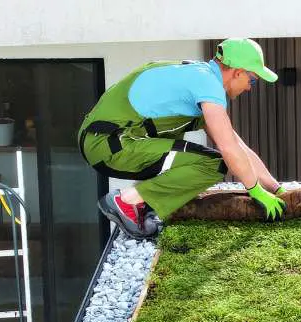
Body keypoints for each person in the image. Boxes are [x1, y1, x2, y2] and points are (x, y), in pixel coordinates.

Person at [77, 38, 287, 240]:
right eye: (251, 80)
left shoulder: (198, 76)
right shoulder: (208, 85)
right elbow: (229, 149)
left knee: (206, 157)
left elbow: (237, 145)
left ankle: (143, 203)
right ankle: (126, 201)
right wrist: (255, 190)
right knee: (213, 165)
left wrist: (275, 188)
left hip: (107, 141)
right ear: (237, 72)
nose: (249, 87)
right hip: (110, 144)